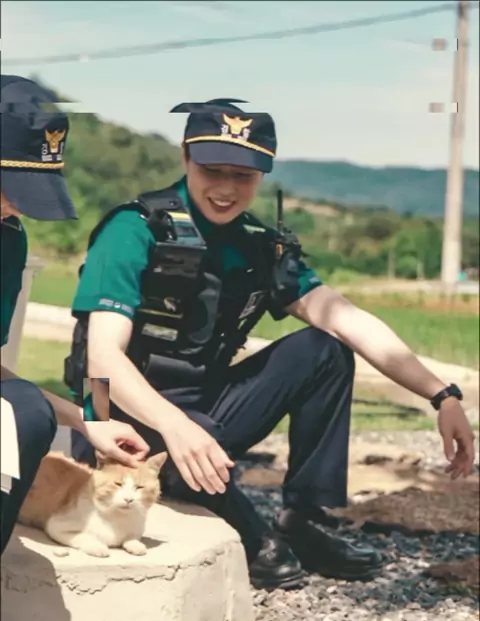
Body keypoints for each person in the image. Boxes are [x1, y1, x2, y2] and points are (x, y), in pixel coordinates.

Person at [66, 98, 476, 591]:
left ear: (262, 174)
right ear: (185, 157)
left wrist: (442, 394)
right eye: (212, 170)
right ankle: (208, 498)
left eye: (243, 175)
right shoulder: (133, 230)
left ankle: (305, 518)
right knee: (266, 554)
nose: (226, 189)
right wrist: (169, 426)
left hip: (206, 410)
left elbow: (347, 320)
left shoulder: (258, 244)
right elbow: (102, 358)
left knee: (325, 350)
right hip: (123, 421)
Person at [0, 75, 150, 562]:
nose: (15, 206)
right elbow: (99, 352)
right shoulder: (127, 235)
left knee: (26, 408)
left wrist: (91, 422)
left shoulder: (7, 237)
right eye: (8, 188)